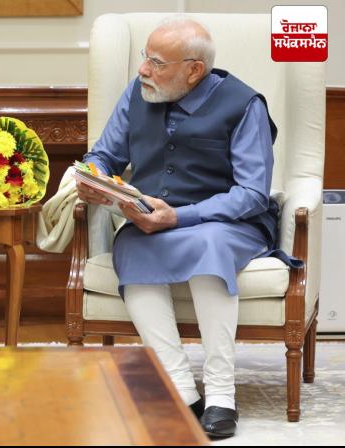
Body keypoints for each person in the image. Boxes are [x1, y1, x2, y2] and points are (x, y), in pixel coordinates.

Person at [77, 16, 293, 439]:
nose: (143, 70)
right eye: (145, 57)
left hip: (228, 223)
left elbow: (251, 193)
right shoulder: (137, 94)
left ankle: (219, 394)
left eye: (157, 62)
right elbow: (104, 154)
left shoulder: (245, 104)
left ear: (193, 69)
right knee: (132, 247)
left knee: (208, 245)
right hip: (151, 221)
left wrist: (180, 217)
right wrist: (94, 179)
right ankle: (178, 386)